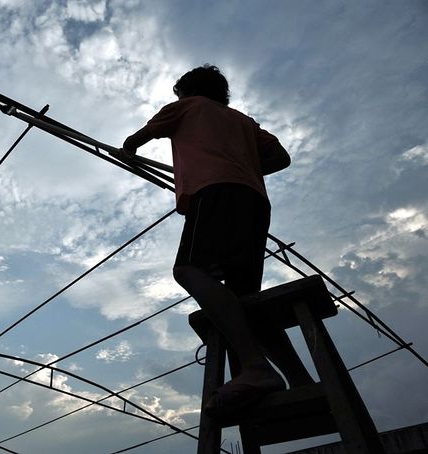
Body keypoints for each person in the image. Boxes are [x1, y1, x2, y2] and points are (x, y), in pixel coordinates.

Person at [119, 64, 314, 416]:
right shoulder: (243, 121)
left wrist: (128, 150)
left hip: (215, 194)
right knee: (245, 300)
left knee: (189, 270)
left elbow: (135, 141)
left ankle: (255, 367)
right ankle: (300, 380)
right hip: (254, 202)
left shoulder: (186, 106)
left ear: (187, 91)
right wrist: (242, 167)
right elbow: (281, 158)